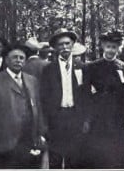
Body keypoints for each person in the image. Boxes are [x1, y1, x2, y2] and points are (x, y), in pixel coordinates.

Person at [0, 44, 47, 168]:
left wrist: (41, 133)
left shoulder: (32, 81)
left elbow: (38, 107)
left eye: (21, 58)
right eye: (14, 57)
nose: (18, 60)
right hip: (5, 142)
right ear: (6, 60)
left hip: (30, 140)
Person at [40, 28, 90, 168]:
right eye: (61, 44)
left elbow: (87, 96)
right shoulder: (48, 69)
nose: (65, 47)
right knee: (55, 157)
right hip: (56, 118)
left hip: (76, 116)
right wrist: (45, 122)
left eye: (67, 43)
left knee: (74, 158)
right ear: (55, 48)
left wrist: (86, 120)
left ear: (73, 45)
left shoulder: (82, 67)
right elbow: (44, 97)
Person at [85, 31, 124, 168]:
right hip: (99, 112)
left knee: (116, 147)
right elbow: (86, 93)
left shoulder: (123, 66)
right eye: (108, 47)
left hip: (118, 113)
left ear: (118, 49)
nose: (111, 50)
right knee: (99, 147)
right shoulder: (92, 66)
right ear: (103, 47)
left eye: (114, 47)